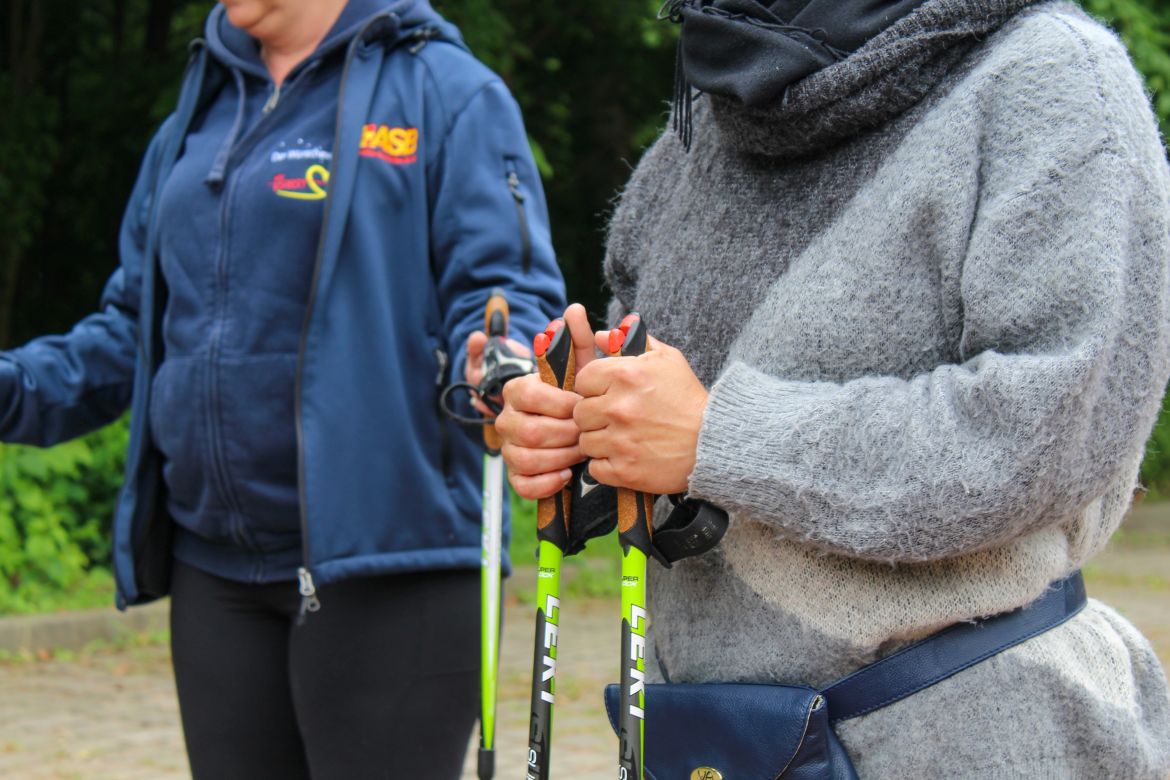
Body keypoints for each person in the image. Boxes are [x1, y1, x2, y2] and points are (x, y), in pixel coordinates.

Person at [497, 0, 1170, 775]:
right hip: (715, 742)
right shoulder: (713, 113)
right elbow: (661, 411)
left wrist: (721, 439)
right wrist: (582, 433)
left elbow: (1049, 435)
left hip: (978, 738)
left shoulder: (1048, 77)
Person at [0, 0, 564, 777]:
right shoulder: (197, 113)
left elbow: (506, 294)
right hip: (217, 569)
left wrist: (498, 363)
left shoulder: (446, 91)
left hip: (394, 563)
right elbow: (134, 330)